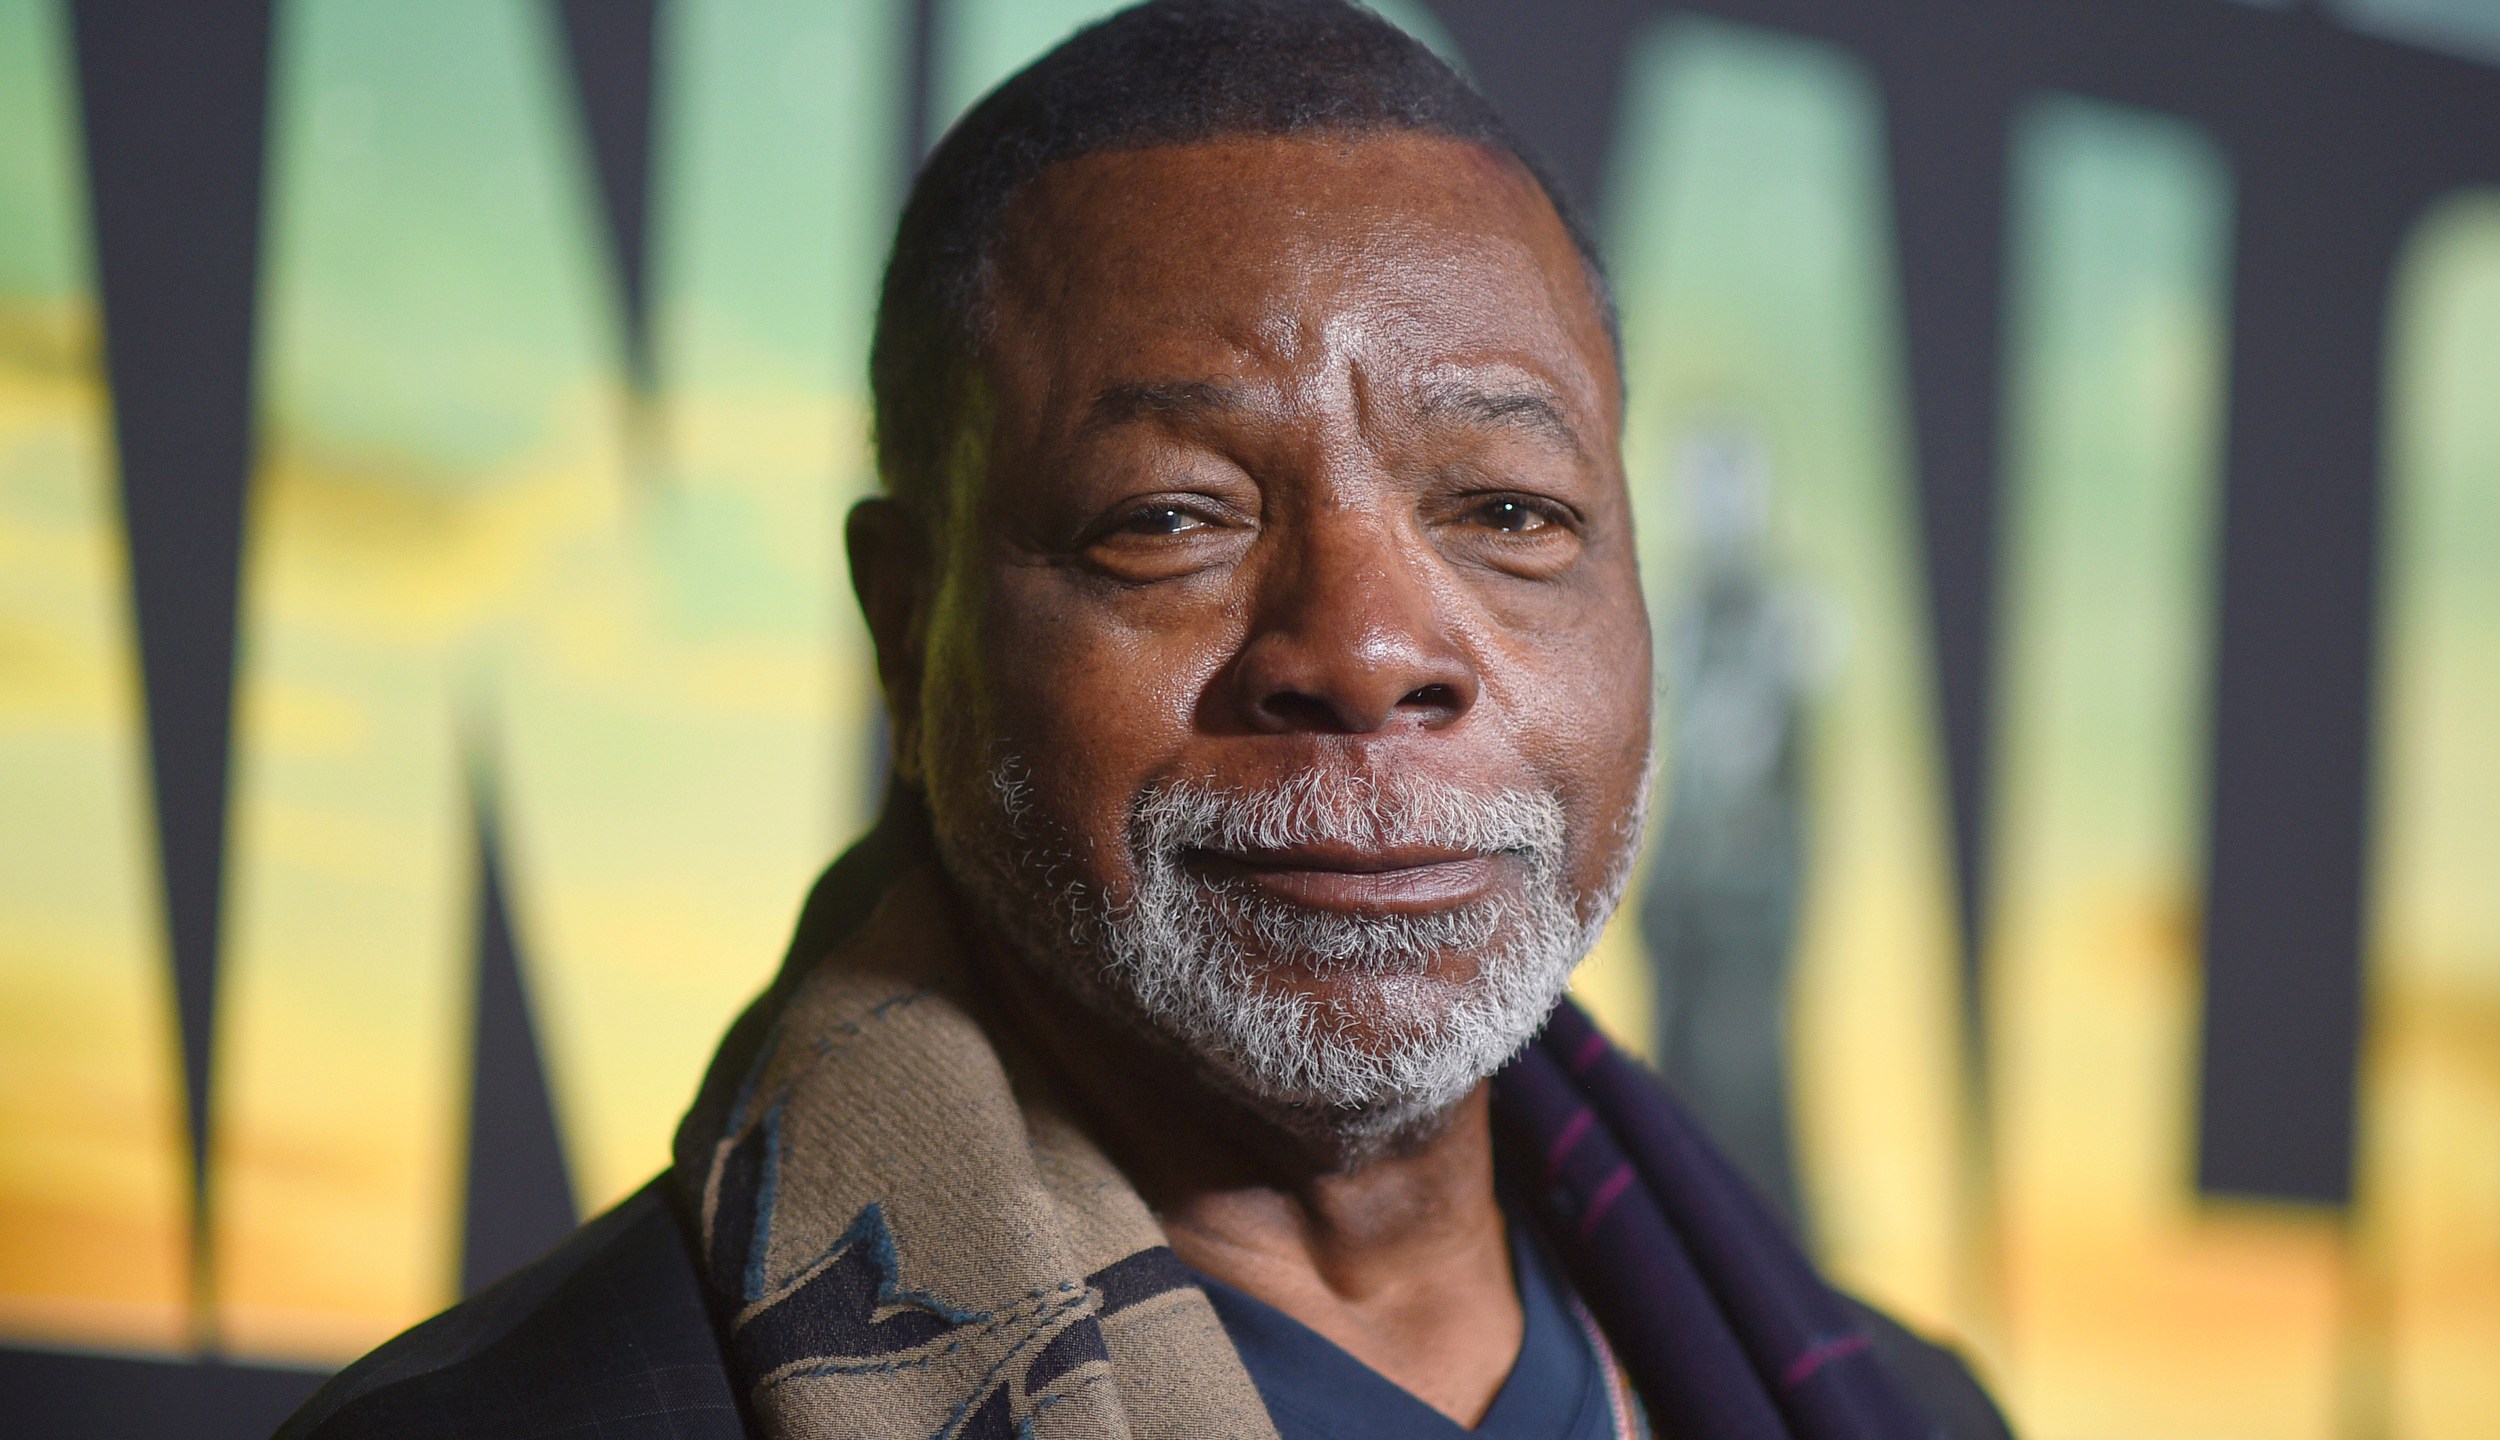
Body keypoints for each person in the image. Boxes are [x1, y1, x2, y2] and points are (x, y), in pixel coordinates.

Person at [277, 4, 2010, 1437]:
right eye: (1171, 517)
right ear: (909, 629)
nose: (1369, 648)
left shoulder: (1910, 1411)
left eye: (1508, 512)